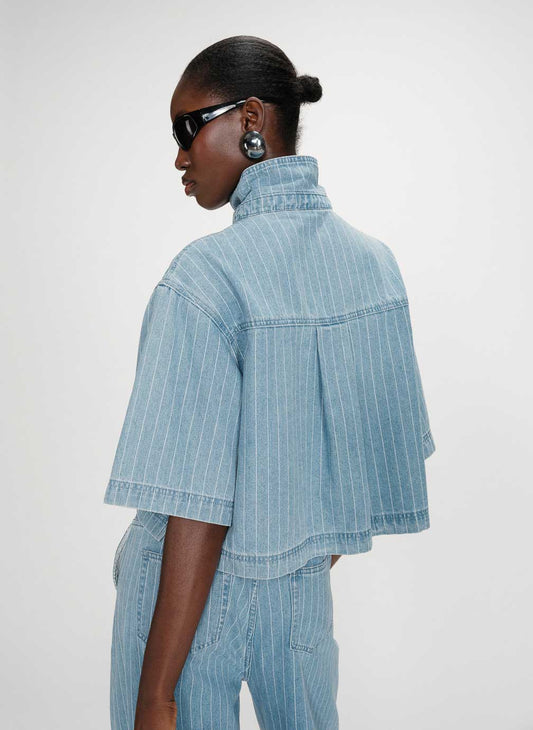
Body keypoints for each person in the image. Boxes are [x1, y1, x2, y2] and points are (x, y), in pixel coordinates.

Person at [104, 35, 436, 730]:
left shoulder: (205, 276)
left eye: (186, 128)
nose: (179, 156)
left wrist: (155, 695)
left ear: (250, 118)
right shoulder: (374, 265)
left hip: (181, 600)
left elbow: (193, 502)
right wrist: (287, 558)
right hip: (301, 590)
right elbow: (366, 466)